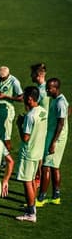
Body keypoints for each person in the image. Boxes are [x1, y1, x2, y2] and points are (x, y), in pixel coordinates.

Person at [15, 86, 48, 222]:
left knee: (27, 182)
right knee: (33, 180)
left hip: (28, 153)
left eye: (24, 98)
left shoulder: (30, 116)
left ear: (29, 99)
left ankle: (31, 213)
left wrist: (19, 124)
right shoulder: (43, 112)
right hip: (38, 151)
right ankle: (31, 207)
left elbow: (25, 138)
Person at [36, 78, 68, 206]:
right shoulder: (58, 100)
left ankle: (41, 198)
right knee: (54, 167)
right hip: (55, 135)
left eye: (49, 88)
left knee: (46, 167)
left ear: (56, 88)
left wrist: (54, 142)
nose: (47, 90)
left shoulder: (60, 102)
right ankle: (56, 196)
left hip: (56, 137)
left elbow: (61, 123)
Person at [0, 66, 23, 152]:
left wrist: (6, 96)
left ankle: (7, 159)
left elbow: (21, 98)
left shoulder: (14, 82)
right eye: (0, 77)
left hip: (7, 111)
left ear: (8, 75)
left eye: (3, 78)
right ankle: (1, 158)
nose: (1, 79)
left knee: (6, 137)